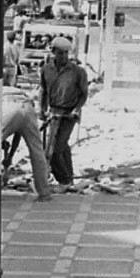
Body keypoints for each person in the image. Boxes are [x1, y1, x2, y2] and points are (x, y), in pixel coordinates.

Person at [38, 36, 89, 188]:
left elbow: (84, 94)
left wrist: (76, 109)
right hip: (53, 112)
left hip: (69, 114)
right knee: (59, 146)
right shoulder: (46, 69)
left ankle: (64, 179)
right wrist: (42, 108)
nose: (64, 57)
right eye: (60, 53)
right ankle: (70, 176)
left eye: (66, 53)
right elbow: (43, 90)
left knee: (56, 149)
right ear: (53, 52)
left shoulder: (77, 72)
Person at [1, 89, 52, 201]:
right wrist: (9, 157)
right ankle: (44, 193)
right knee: (37, 151)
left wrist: (6, 154)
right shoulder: (18, 91)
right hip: (27, 107)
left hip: (8, 105)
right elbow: (19, 132)